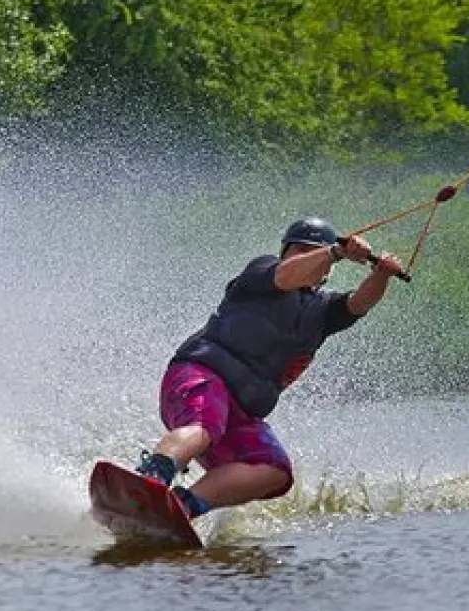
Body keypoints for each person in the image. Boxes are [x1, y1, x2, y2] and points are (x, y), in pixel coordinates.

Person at [133, 217, 404, 516]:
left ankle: (181, 508)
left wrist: (382, 275)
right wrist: (334, 252)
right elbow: (288, 276)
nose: (305, 257)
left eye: (313, 252)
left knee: (274, 471)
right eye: (299, 250)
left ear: (328, 272)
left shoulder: (324, 311)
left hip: (242, 410)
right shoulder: (262, 272)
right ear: (285, 252)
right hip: (200, 376)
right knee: (205, 424)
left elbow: (358, 304)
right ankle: (150, 478)